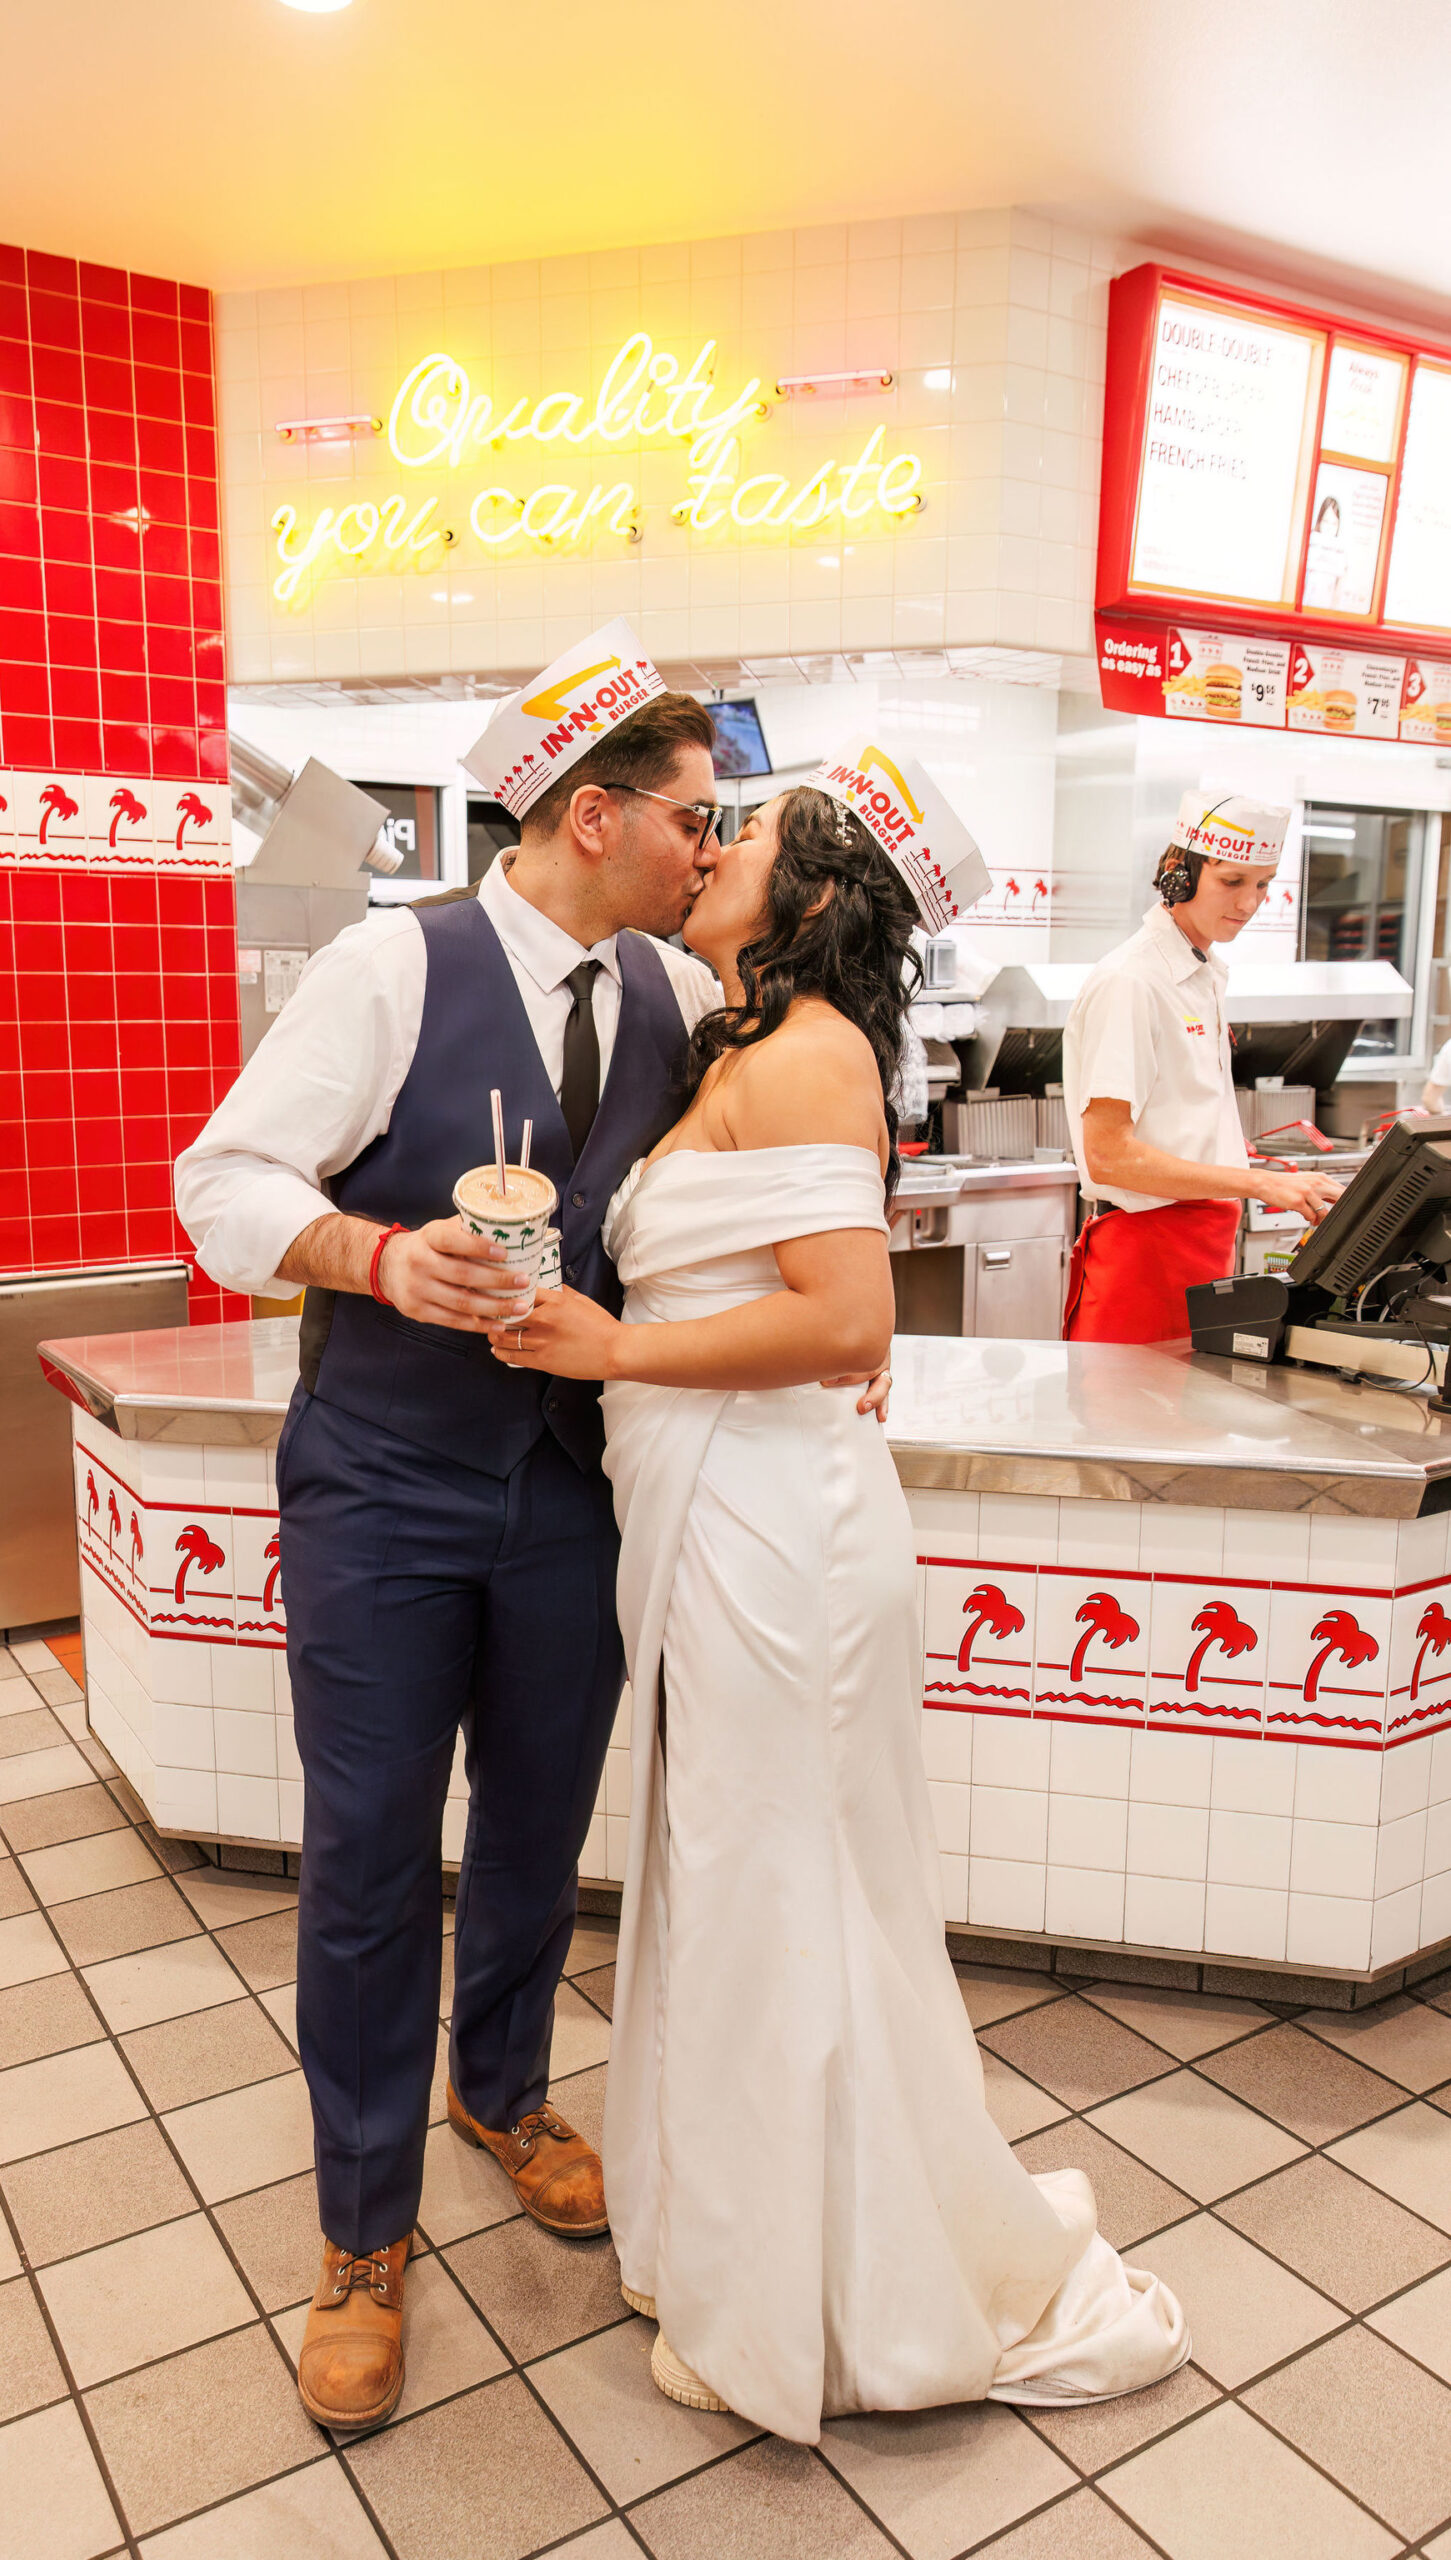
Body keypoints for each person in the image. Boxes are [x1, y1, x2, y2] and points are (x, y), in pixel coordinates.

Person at [490, 742, 1190, 2439]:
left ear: (810, 894)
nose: (711, 848)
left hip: (776, 1540)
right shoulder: (733, 1027)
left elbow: (848, 1323)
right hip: (727, 1514)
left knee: (773, 1893)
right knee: (738, 1881)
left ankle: (818, 2294)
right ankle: (746, 2242)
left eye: (749, 837)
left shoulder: (809, 1054)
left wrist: (616, 1346)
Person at [174, 622, 727, 2426]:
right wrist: (378, 1253)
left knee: (539, 1825)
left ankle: (502, 2087)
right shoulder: (387, 969)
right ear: (588, 818)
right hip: (387, 1483)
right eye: (689, 817)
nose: (707, 849)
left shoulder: (673, 1000)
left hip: (570, 1490)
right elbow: (228, 1183)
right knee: (365, 1856)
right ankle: (357, 2232)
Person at [1061, 793, 1341, 1344]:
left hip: (1201, 1250)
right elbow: (1109, 1154)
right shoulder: (1133, 981)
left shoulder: (1203, 973)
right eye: (1232, 882)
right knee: (1126, 1423)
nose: (1250, 902)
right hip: (1145, 1257)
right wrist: (1260, 1182)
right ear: (1177, 876)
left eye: (1263, 884)